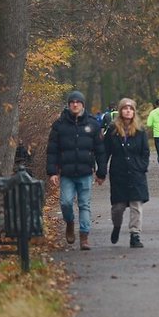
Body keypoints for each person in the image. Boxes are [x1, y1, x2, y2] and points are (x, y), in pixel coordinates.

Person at [46, 90, 107, 251]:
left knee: (84, 205)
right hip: (66, 173)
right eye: (72, 102)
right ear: (68, 105)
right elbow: (52, 150)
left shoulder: (92, 124)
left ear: (83, 105)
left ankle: (84, 237)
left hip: (85, 172)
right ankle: (70, 223)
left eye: (78, 102)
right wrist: (52, 172)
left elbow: (100, 150)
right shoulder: (59, 125)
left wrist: (101, 172)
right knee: (65, 203)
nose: (75, 104)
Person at [101, 98, 149, 249]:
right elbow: (105, 152)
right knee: (118, 207)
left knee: (136, 204)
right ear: (120, 111)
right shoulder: (113, 130)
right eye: (125, 108)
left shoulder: (140, 131)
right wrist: (102, 170)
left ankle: (135, 234)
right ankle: (116, 226)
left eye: (131, 108)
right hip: (119, 172)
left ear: (134, 112)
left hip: (136, 173)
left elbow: (145, 152)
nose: (128, 110)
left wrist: (141, 166)